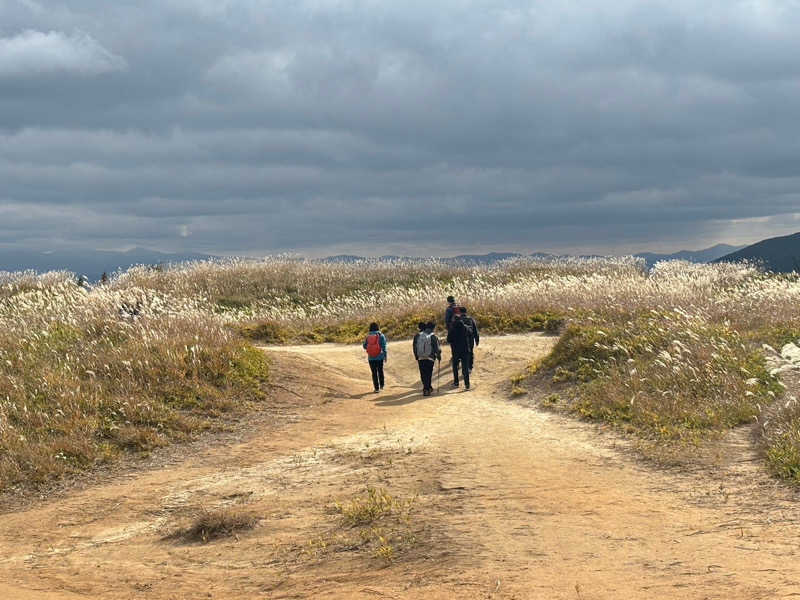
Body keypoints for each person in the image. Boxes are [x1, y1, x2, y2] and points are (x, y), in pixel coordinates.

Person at [413, 321, 442, 396]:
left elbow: (414, 346)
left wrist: (416, 356)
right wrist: (439, 356)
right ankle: (427, 389)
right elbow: (437, 348)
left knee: (423, 373)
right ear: (433, 328)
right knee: (428, 373)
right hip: (430, 358)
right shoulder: (433, 336)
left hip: (420, 357)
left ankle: (427, 388)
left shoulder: (418, 335)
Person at [447, 313, 472, 390]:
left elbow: (448, 340)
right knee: (465, 368)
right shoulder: (465, 328)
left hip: (455, 351)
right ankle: (467, 385)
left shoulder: (452, 329)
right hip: (465, 350)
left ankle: (456, 383)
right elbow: (471, 334)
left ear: (454, 320)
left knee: (455, 367)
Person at [362, 322, 387, 393]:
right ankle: (382, 385)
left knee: (374, 373)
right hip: (379, 357)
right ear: (378, 327)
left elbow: (364, 346)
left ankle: (376, 388)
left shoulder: (368, 336)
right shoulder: (381, 335)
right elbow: (384, 347)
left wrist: (370, 348)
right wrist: (385, 356)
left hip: (371, 358)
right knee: (380, 371)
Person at [459, 306, 479, 372]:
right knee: (470, 353)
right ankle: (470, 367)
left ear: (459, 312)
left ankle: (464, 367)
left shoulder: (458, 319)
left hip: (461, 340)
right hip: (470, 339)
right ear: (466, 312)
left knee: (462, 353)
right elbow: (475, 330)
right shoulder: (471, 319)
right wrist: (477, 339)